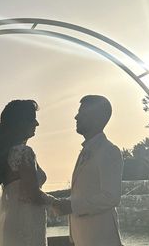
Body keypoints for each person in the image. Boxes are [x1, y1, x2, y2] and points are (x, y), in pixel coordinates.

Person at [53, 95, 123, 246]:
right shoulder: (88, 150)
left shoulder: (109, 151)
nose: (76, 116)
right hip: (83, 238)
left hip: (101, 238)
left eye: (82, 113)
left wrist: (71, 206)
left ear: (97, 118)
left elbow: (111, 197)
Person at [0, 99, 54, 246]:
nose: (37, 124)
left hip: (13, 220)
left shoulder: (8, 153)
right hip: (27, 221)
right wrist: (58, 203)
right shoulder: (23, 152)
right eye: (33, 119)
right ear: (21, 122)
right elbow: (31, 193)